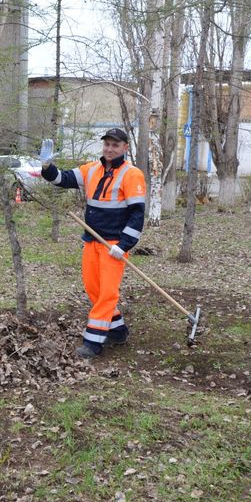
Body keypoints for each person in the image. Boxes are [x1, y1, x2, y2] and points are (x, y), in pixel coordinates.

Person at [40, 128, 146, 359]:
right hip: (92, 240)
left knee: (107, 293)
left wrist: (124, 244)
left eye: (115, 145)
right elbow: (63, 179)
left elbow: (137, 214)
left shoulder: (132, 174)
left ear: (125, 148)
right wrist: (48, 167)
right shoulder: (92, 169)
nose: (109, 149)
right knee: (94, 289)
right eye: (107, 144)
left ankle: (93, 342)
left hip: (113, 246)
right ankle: (117, 331)